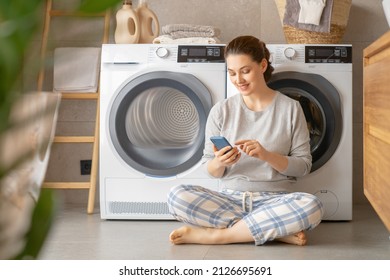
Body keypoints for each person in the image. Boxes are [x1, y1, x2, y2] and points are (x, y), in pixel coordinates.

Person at [167, 35, 324, 246]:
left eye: (245, 71)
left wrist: (266, 155)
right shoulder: (221, 111)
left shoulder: (290, 109)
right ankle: (273, 231)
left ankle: (221, 236)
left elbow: (303, 166)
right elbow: (209, 168)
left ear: (262, 65)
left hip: (275, 201)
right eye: (232, 73)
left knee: (312, 205)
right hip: (229, 200)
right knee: (177, 196)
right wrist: (220, 162)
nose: (238, 80)